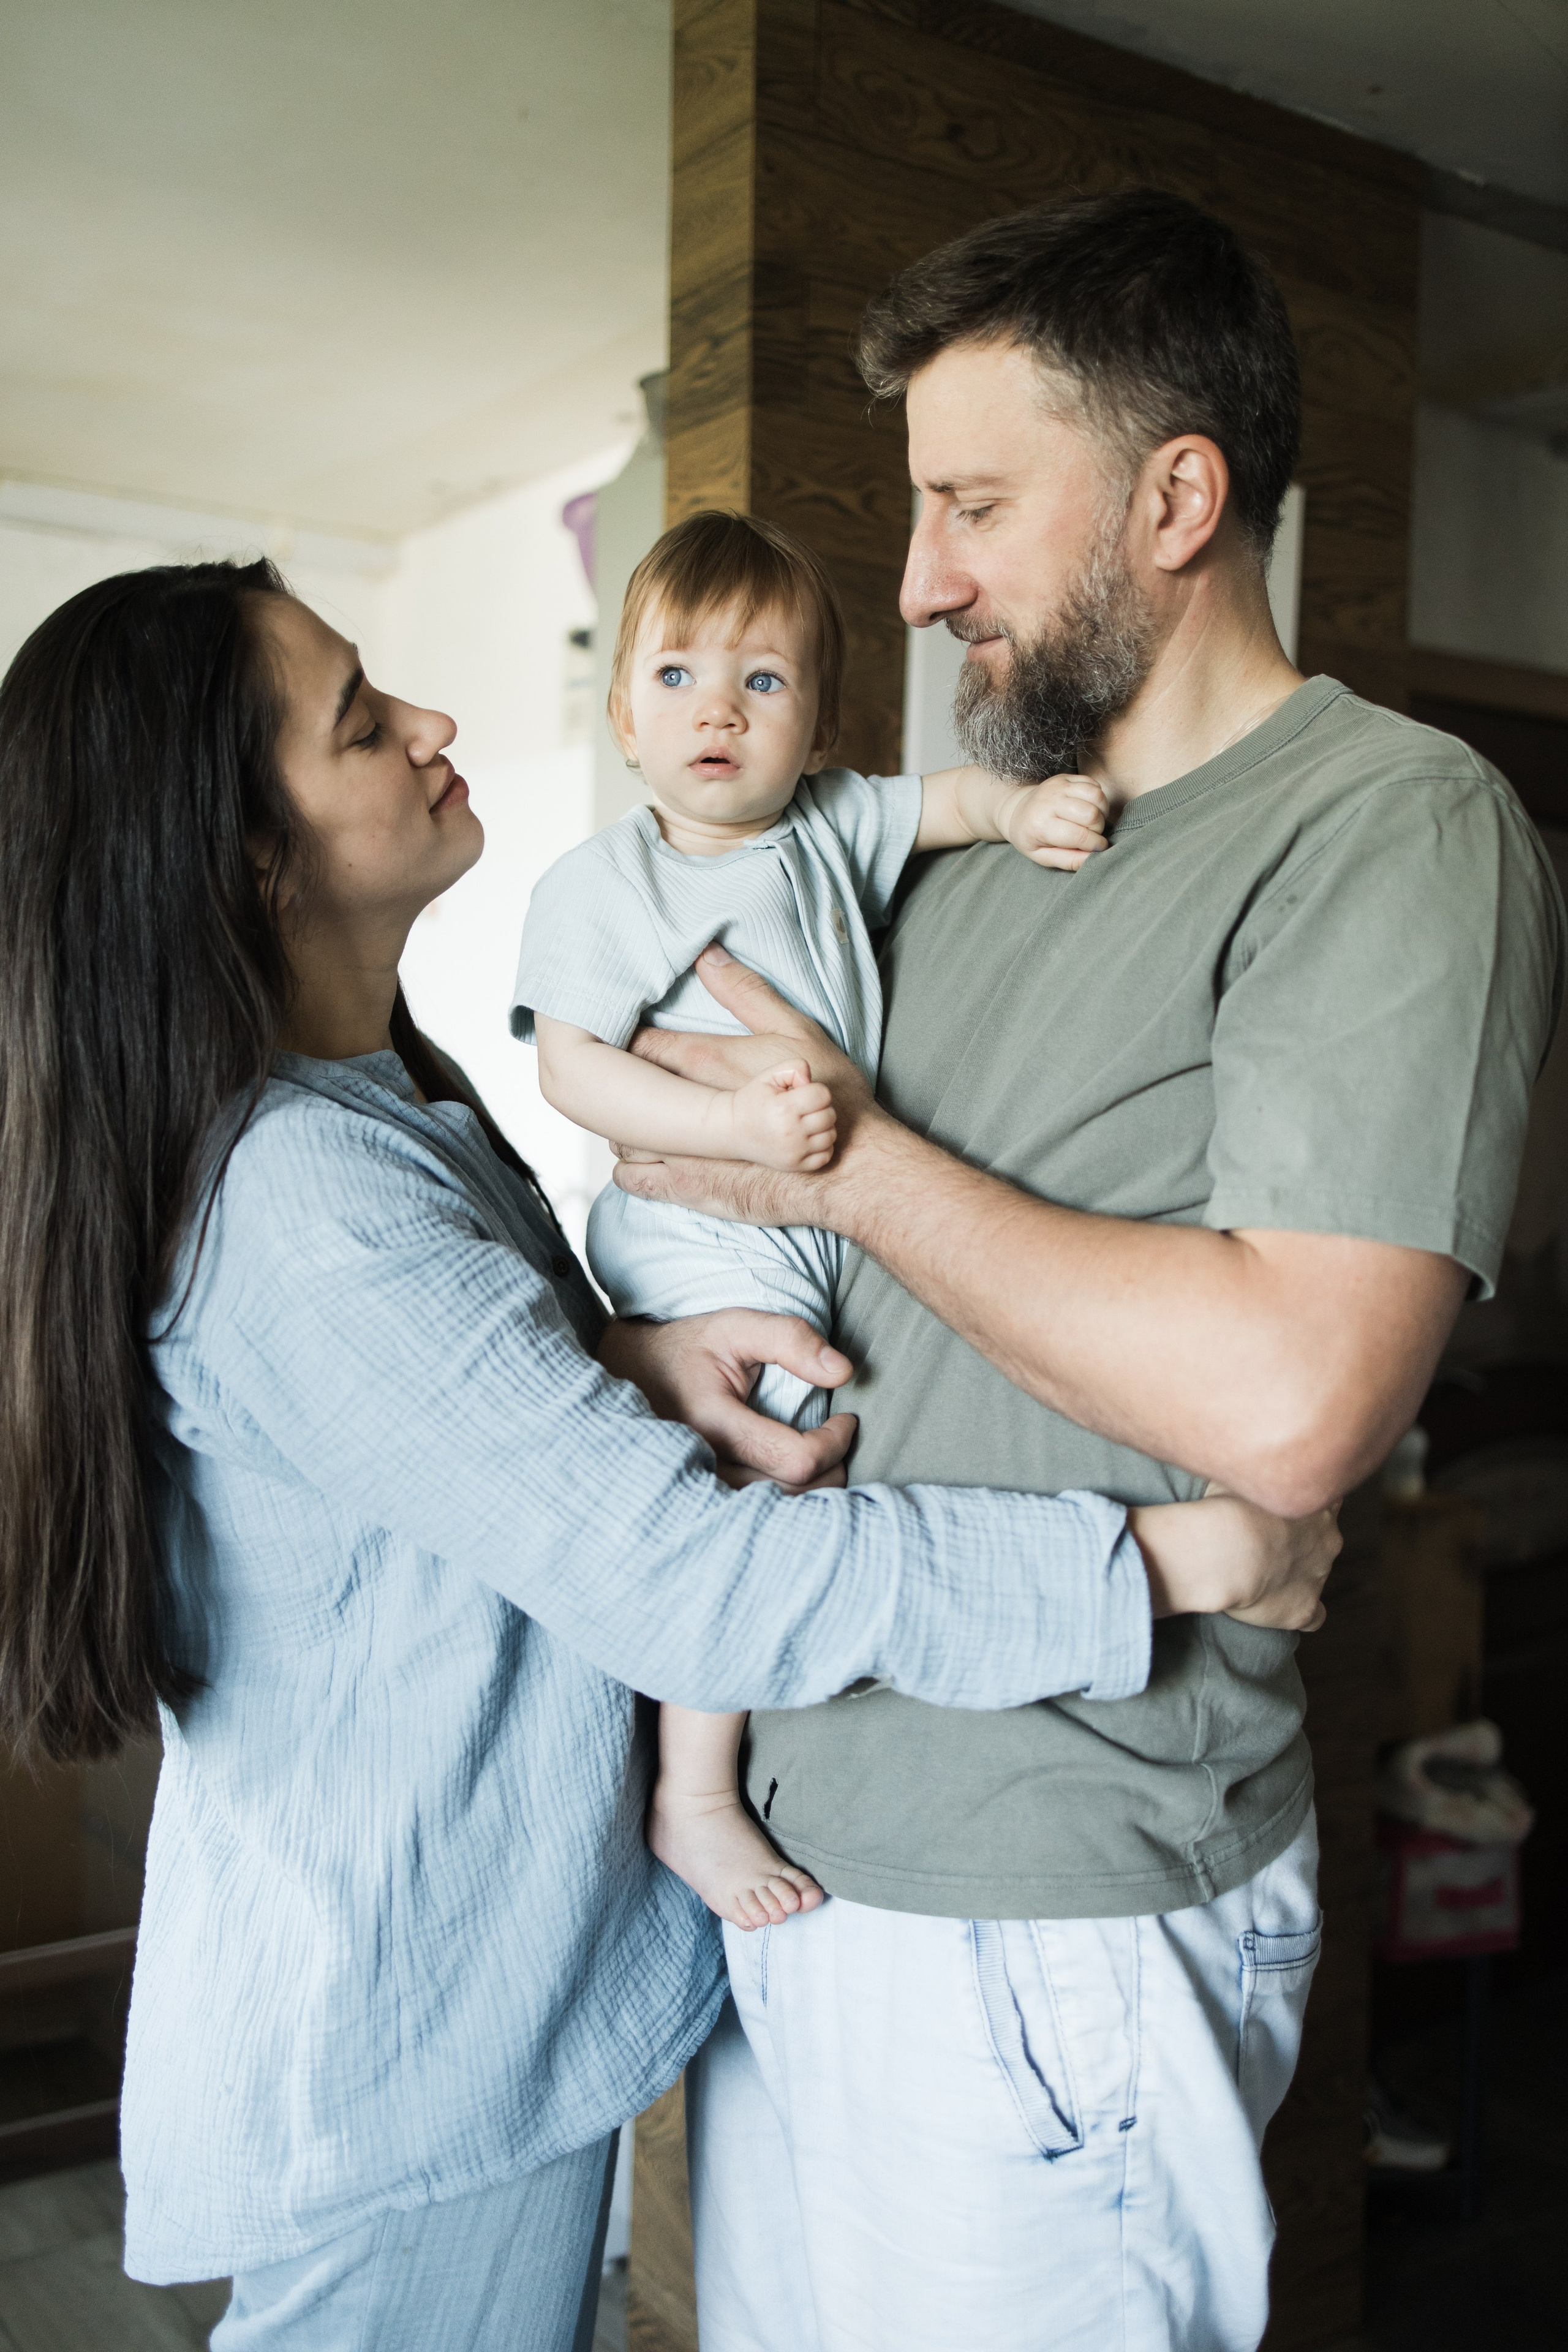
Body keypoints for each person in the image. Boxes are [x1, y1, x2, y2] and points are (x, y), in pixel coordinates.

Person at [0, 558, 1332, 2352]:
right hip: (408, 2060)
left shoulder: (371, 1103)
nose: (435, 725)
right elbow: (698, 1592)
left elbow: (391, 1429)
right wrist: (1174, 1560)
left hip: (441, 2012)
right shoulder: (303, 1192)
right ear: (248, 857)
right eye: (361, 722)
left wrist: (617, 1357)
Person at [612, 190, 1566, 2351]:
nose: (923, 576)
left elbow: (1296, 1402)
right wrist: (660, 1327)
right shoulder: (957, 860)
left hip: (1056, 1915)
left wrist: (858, 1166)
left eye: (974, 506)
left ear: (1178, 496)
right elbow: (754, 1229)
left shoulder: (1387, 829)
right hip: (799, 1851)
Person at [511, 506, 1109, 1932]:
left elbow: (947, 804)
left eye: (761, 682)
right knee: (751, 1486)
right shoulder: (611, 882)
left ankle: (742, 1734)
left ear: (814, 720)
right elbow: (570, 1065)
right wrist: (732, 1129)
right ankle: (695, 1790)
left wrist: (1022, 811)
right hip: (698, 1235)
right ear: (620, 716)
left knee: (803, 1461)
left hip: (813, 1224)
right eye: (676, 679)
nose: (717, 709)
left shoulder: (833, 818)